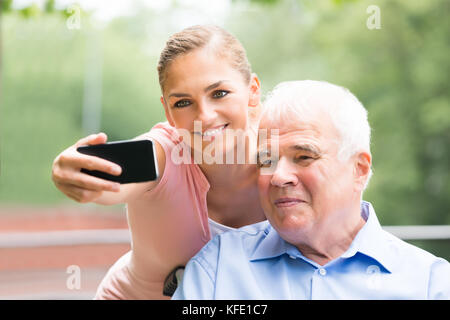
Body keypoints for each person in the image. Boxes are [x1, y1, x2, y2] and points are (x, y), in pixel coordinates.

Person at [172, 80, 450, 300]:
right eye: (266, 159)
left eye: (304, 156)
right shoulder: (218, 267)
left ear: (359, 169)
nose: (278, 176)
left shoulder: (430, 285)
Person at [51, 25, 269, 299]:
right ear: (167, 109)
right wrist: (75, 171)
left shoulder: (279, 155)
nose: (204, 116)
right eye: (183, 103)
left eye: (219, 93)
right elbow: (116, 176)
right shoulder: (164, 152)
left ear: (252, 90)